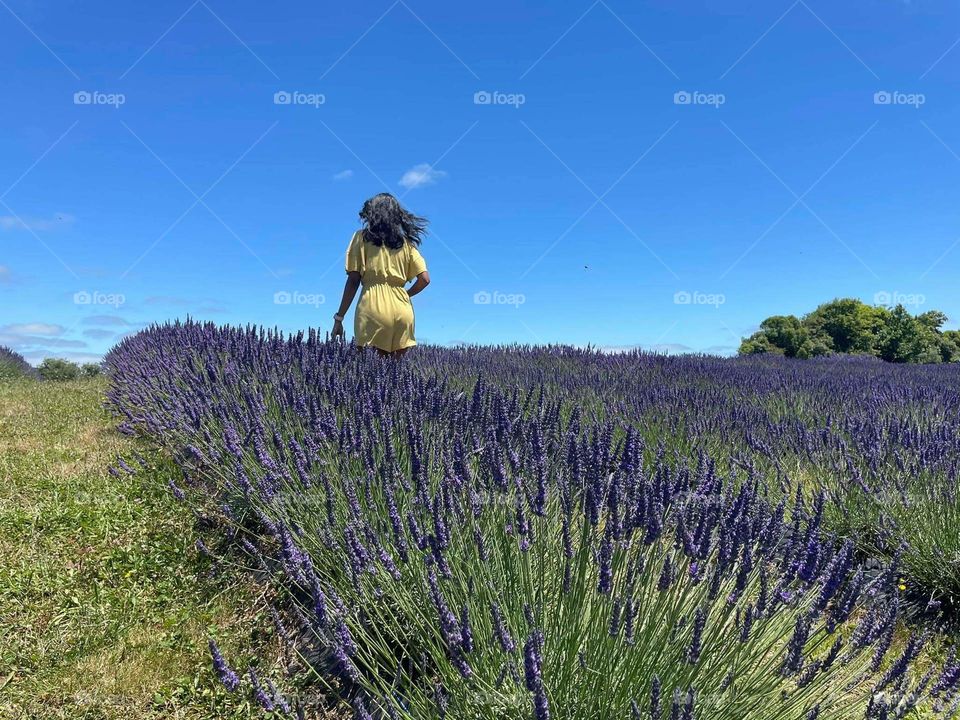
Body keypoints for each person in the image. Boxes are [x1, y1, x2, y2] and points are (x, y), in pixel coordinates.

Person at [331, 193, 431, 356]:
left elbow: (353, 280)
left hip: (372, 307)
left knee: (370, 373)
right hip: (402, 309)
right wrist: (405, 294)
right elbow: (425, 279)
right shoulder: (407, 244)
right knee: (393, 376)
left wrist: (339, 317)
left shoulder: (361, 237)